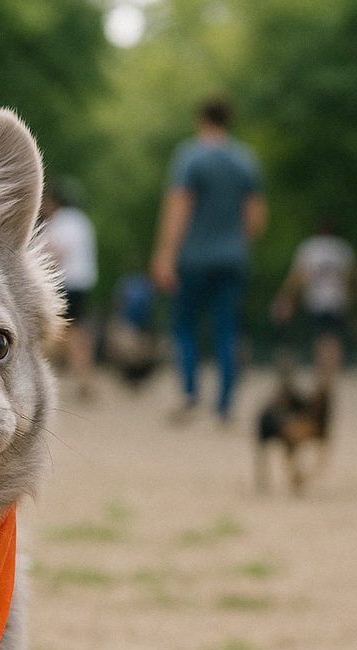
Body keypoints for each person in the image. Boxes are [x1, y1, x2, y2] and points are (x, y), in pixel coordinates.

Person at [150, 96, 267, 422]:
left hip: (195, 258)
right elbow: (256, 221)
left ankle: (190, 393)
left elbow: (179, 209)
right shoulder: (246, 160)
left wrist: (165, 254)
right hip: (232, 259)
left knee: (185, 326)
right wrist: (232, 238)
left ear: (201, 119)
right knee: (226, 329)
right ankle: (225, 405)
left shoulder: (190, 157)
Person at [41, 179, 99, 399]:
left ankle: (49, 377)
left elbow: (56, 253)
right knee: (77, 332)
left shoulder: (59, 221)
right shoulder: (83, 221)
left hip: (64, 283)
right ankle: (84, 377)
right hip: (83, 283)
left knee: (53, 332)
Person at [270, 219, 354, 368]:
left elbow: (299, 277)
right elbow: (349, 280)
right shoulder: (343, 250)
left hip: (317, 301)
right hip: (337, 301)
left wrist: (286, 298)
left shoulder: (310, 247)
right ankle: (330, 374)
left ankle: (322, 371)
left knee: (319, 338)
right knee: (334, 339)